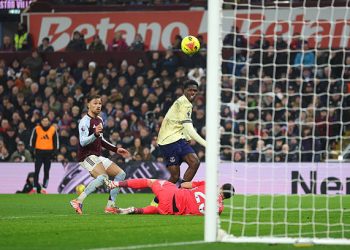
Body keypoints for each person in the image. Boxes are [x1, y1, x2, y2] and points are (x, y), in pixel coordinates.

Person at [69, 95, 130, 215]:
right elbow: (82, 142)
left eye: (100, 103)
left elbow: (101, 140)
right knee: (103, 177)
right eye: (95, 103)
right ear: (88, 105)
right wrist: (95, 135)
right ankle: (78, 201)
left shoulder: (100, 120)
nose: (98, 106)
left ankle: (110, 206)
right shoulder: (84, 122)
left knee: (121, 174)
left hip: (97, 155)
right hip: (86, 156)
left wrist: (116, 149)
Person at [157, 80, 207, 185]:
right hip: (168, 141)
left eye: (195, 90)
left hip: (178, 138)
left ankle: (181, 192)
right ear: (184, 91)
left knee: (195, 162)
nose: (193, 93)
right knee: (175, 176)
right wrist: (207, 144)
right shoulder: (184, 104)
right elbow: (189, 128)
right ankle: (156, 201)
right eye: (190, 90)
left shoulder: (184, 102)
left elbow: (181, 123)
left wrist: (187, 137)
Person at [105, 178, 235, 215]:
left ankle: (115, 183)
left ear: (221, 187)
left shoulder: (209, 184)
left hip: (172, 194)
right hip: (172, 210)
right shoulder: (219, 209)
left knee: (150, 182)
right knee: (156, 209)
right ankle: (135, 210)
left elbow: (184, 185)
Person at [29, 116, 59, 194]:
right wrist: (32, 152)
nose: (45, 122)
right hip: (38, 153)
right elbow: (32, 142)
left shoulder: (53, 129)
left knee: (46, 171)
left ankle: (44, 189)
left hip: (48, 154)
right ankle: (35, 188)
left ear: (49, 122)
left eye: (46, 121)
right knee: (37, 171)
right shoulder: (37, 129)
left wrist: (54, 153)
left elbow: (56, 142)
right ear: (41, 121)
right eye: (43, 120)